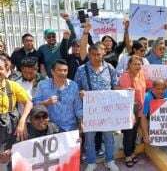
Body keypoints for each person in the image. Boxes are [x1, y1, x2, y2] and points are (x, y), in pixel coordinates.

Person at [74, 43, 119, 171]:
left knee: (109, 137)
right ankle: (91, 161)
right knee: (89, 138)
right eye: (93, 55)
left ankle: (110, 160)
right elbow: (76, 88)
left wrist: (126, 93)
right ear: (89, 54)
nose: (96, 57)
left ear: (103, 53)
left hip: (107, 109)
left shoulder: (110, 68)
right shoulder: (81, 69)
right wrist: (80, 92)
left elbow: (115, 86)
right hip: (90, 110)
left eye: (98, 54)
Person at [0, 56, 33, 169]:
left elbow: (28, 102)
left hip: (10, 130)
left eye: (0, 68)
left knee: (13, 161)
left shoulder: (13, 85)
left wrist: (22, 121)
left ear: (6, 69)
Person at [33, 59, 83, 132]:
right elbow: (35, 105)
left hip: (70, 128)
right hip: (49, 129)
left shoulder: (73, 86)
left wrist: (81, 122)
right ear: (52, 71)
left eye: (65, 70)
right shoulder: (42, 85)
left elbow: (78, 108)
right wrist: (46, 102)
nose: (62, 73)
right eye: (59, 70)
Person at [116, 55, 148, 167]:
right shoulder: (125, 76)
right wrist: (126, 90)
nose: (138, 66)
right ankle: (128, 155)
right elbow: (119, 90)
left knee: (134, 133)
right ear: (129, 65)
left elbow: (148, 86)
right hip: (128, 111)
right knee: (128, 134)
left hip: (139, 110)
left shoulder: (142, 74)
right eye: (135, 64)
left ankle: (132, 152)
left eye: (139, 64)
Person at [141, 79, 167, 144]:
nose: (160, 91)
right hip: (150, 118)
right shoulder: (147, 97)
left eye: (163, 89)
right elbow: (143, 117)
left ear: (166, 89)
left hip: (165, 118)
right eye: (158, 89)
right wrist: (146, 135)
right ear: (153, 89)